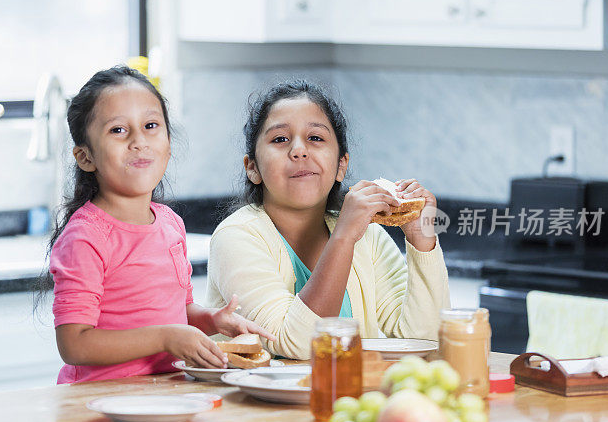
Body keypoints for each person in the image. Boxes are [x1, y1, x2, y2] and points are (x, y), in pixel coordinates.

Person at [46, 65, 273, 384]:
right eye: (118, 130)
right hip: (97, 404)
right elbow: (74, 344)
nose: (139, 141)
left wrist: (211, 320)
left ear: (168, 142)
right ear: (86, 157)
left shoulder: (170, 224)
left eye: (151, 125)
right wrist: (166, 338)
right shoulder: (86, 237)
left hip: (166, 395)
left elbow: (178, 313)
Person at [206, 80, 450, 360]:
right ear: (253, 168)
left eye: (316, 138)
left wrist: (422, 242)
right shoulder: (236, 237)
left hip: (351, 400)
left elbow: (425, 342)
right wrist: (344, 237)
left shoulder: (368, 238)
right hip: (257, 404)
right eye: (280, 139)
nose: (299, 150)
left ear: (341, 165)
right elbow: (296, 345)